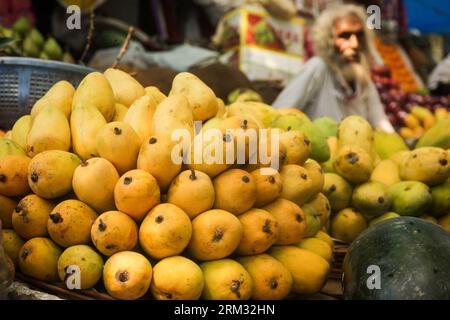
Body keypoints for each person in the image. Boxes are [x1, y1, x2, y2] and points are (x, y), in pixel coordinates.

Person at [272, 4, 395, 132]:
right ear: (328, 40)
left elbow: (383, 126)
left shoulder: (363, 81)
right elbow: (277, 114)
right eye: (345, 36)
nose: (355, 44)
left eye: (359, 35)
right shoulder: (317, 68)